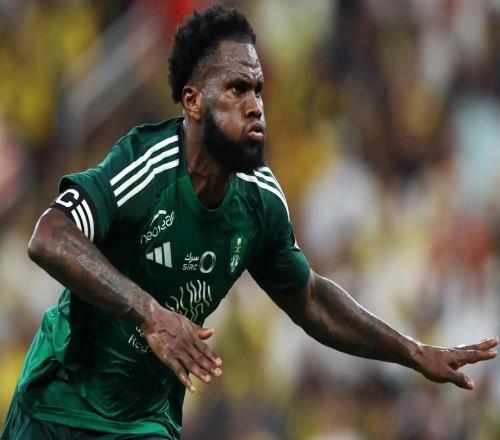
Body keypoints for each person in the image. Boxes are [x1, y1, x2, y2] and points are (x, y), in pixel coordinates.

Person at [1, 5, 497, 440]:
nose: (256, 106)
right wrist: (151, 314)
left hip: (142, 422)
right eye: (237, 89)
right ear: (192, 100)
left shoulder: (260, 202)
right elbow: (49, 236)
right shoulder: (146, 166)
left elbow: (311, 301)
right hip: (57, 403)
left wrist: (413, 352)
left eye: (258, 90)